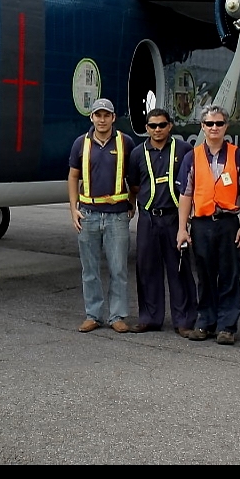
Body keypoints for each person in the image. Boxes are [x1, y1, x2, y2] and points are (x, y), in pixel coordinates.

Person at [176, 105, 240, 344]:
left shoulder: (237, 155)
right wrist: (182, 228)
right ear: (202, 126)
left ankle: (227, 326)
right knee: (205, 274)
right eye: (209, 124)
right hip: (201, 224)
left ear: (225, 127)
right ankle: (206, 322)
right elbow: (186, 195)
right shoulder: (193, 156)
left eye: (219, 124)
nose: (214, 128)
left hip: (228, 222)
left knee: (229, 274)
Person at [68, 98, 136, 333]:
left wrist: (132, 203)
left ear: (113, 117)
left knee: (118, 269)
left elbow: (133, 179)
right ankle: (93, 315)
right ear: (92, 118)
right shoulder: (81, 143)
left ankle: (117, 316)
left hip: (117, 215)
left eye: (106, 115)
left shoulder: (125, 142)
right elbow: (73, 176)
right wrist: (73, 208)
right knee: (90, 269)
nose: (102, 119)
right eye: (98, 115)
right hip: (88, 214)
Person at [128, 108, 197, 337]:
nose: (157, 130)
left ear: (170, 126)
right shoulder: (138, 153)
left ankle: (184, 320)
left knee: (179, 269)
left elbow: (191, 183)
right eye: (152, 126)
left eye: (161, 125)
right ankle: (150, 318)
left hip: (174, 217)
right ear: (146, 128)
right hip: (148, 217)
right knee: (147, 269)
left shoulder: (184, 150)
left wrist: (185, 222)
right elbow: (135, 186)